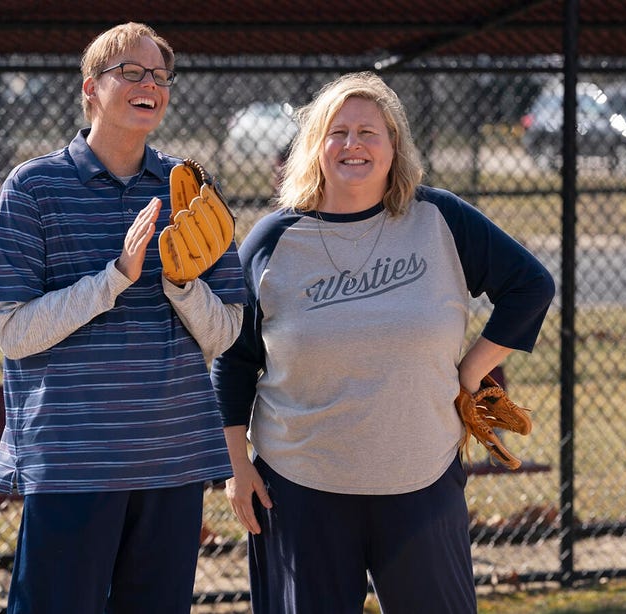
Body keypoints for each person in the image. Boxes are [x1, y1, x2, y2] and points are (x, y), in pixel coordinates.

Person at [211, 71, 555, 613]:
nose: (353, 145)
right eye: (337, 132)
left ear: (395, 145)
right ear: (314, 146)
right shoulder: (274, 240)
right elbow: (234, 361)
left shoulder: (440, 218)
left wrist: (469, 373)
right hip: (301, 486)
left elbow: (531, 287)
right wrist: (237, 467)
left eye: (369, 132)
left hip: (421, 480)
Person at [0, 22, 247, 613]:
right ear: (90, 88)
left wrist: (181, 285)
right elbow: (15, 334)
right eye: (130, 72)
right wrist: (114, 278)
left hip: (171, 458)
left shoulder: (191, 190)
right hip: (73, 462)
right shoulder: (33, 188)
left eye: (159, 75)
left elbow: (225, 332)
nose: (149, 83)